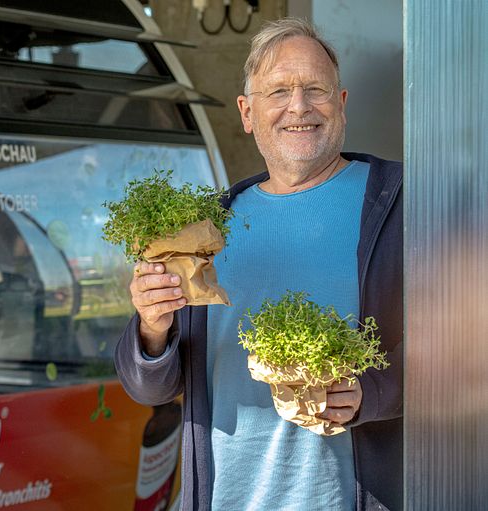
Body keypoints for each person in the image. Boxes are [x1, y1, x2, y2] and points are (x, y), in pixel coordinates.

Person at [114, 17, 402, 511]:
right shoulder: (209, 226)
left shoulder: (399, 204)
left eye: (316, 89)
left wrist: (370, 392)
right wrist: (152, 329)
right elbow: (149, 386)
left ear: (342, 105)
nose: (299, 106)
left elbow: (464, 351)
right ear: (247, 113)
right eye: (279, 92)